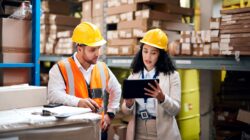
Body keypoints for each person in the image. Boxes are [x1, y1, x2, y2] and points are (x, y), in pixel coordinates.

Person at [48, 22, 122, 140]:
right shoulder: (60, 68)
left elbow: (117, 89)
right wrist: (78, 102)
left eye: (98, 48)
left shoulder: (102, 68)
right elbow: (53, 95)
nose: (98, 53)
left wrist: (110, 114)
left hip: (98, 129)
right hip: (73, 131)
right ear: (79, 49)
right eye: (93, 49)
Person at [121, 28, 182, 140]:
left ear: (161, 55)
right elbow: (125, 111)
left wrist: (162, 98)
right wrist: (128, 104)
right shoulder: (134, 76)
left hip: (162, 133)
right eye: (145, 51)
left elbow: (176, 110)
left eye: (153, 53)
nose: (148, 57)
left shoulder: (172, 76)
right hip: (138, 132)